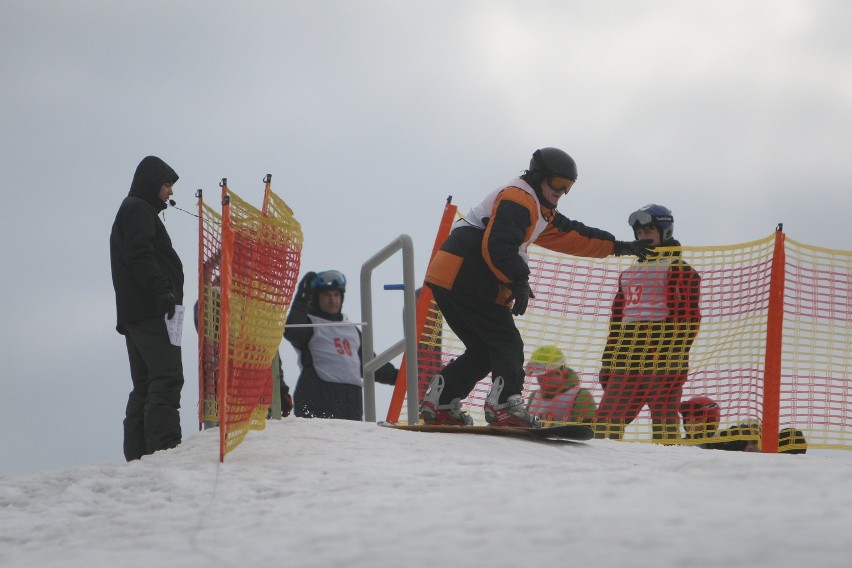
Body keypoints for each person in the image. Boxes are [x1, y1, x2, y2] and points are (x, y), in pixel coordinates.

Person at [420, 147, 655, 427]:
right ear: (538, 176)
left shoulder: (538, 209)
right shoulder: (519, 199)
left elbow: (574, 235)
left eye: (568, 187)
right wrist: (518, 279)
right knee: (507, 343)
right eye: (557, 184)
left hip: (450, 275)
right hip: (466, 275)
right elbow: (498, 245)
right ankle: (505, 405)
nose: (561, 192)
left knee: (484, 350)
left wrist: (618, 246)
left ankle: (441, 402)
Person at [594, 204, 702, 441]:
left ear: (664, 232)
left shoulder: (679, 269)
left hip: (662, 348)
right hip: (627, 347)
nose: (643, 235)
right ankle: (600, 460)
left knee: (663, 415)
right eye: (640, 231)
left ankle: (668, 460)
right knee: (608, 415)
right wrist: (609, 358)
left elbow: (689, 317)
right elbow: (617, 319)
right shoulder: (629, 273)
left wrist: (676, 353)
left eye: (650, 230)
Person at [110, 156, 184, 461]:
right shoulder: (138, 210)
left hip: (137, 313)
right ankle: (164, 451)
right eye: (166, 184)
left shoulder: (132, 210)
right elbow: (139, 254)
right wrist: (163, 293)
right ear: (153, 183)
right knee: (167, 377)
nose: (169, 192)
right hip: (152, 311)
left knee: (146, 383)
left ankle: (140, 456)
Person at [284, 270, 398, 420]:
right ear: (316, 298)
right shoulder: (310, 323)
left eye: (336, 295)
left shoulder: (351, 329)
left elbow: (371, 364)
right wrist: (302, 297)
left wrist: (401, 377)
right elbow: (292, 331)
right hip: (318, 396)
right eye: (326, 295)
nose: (332, 300)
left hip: (351, 402)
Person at [680, 396, 808, 453]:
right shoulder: (678, 445)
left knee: (793, 436)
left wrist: (754, 439)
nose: (689, 422)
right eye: (686, 419)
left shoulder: (726, 438)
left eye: (696, 419)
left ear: (711, 422)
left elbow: (747, 430)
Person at [524, 346, 597, 424]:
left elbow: (589, 431)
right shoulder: (534, 397)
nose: (543, 381)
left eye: (548, 375)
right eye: (539, 377)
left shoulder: (580, 396)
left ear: (562, 371)